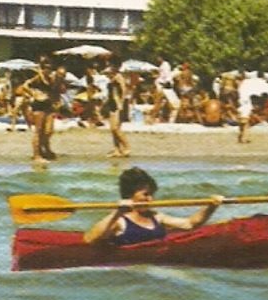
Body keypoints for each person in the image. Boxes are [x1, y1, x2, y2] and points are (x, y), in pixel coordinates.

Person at [83, 167, 223, 245]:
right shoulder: (120, 221)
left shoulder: (156, 217)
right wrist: (117, 213)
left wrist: (211, 206)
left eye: (152, 194)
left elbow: (189, 224)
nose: (150, 199)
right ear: (130, 195)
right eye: (145, 194)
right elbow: (89, 239)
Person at [20, 57, 63, 162]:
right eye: (46, 68)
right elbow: (25, 86)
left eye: (50, 68)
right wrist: (33, 94)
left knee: (48, 130)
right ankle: (36, 155)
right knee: (38, 131)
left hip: (48, 105)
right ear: (43, 68)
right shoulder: (38, 77)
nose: (48, 70)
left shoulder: (51, 78)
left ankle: (45, 149)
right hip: (39, 104)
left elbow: (54, 92)